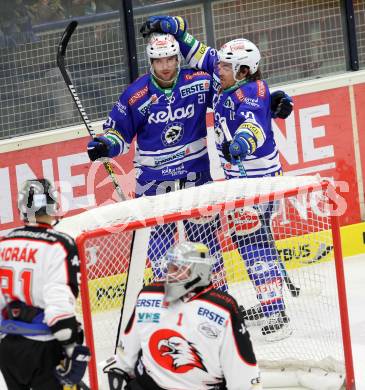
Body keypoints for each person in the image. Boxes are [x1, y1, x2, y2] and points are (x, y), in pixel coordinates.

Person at [86, 31, 292, 294]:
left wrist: (270, 102)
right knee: (161, 256)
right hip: (153, 185)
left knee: (207, 250)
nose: (166, 66)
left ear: (178, 58)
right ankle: (179, 305)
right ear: (151, 61)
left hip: (196, 180)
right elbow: (119, 133)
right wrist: (106, 144)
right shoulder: (135, 94)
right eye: (159, 61)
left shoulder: (199, 82)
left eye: (171, 59)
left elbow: (235, 96)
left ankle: (219, 300)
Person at [139, 16, 293, 338]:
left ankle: (274, 310)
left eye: (224, 66)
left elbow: (251, 124)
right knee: (247, 239)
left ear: (243, 71)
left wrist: (242, 142)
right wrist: (175, 29)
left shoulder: (248, 93)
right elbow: (198, 53)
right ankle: (270, 303)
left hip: (257, 183)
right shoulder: (230, 79)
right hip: (241, 182)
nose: (217, 68)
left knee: (252, 241)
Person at [103, 241, 262, 390]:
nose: (169, 274)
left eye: (177, 269)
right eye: (170, 268)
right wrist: (120, 369)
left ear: (199, 271)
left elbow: (243, 372)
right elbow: (126, 353)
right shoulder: (148, 295)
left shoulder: (223, 309)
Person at [0, 179, 90, 389]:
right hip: (43, 348)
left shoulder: (5, 243)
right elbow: (58, 302)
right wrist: (70, 346)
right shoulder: (59, 243)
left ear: (22, 207)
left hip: (7, 349)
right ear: (53, 204)